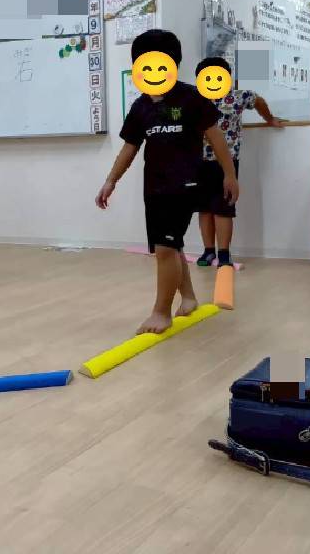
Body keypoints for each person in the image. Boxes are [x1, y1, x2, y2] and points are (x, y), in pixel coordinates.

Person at [95, 30, 239, 334]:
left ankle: (161, 312)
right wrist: (111, 181)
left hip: (185, 184)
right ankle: (188, 297)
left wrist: (229, 175)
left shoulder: (191, 97)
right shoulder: (141, 106)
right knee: (170, 246)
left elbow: (216, 138)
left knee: (164, 249)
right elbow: (129, 148)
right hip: (155, 187)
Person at [195, 56, 283, 267]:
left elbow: (258, 101)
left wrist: (269, 118)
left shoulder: (238, 96)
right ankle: (208, 252)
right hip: (198, 162)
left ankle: (224, 254)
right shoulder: (195, 99)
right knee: (204, 209)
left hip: (226, 164)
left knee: (223, 209)